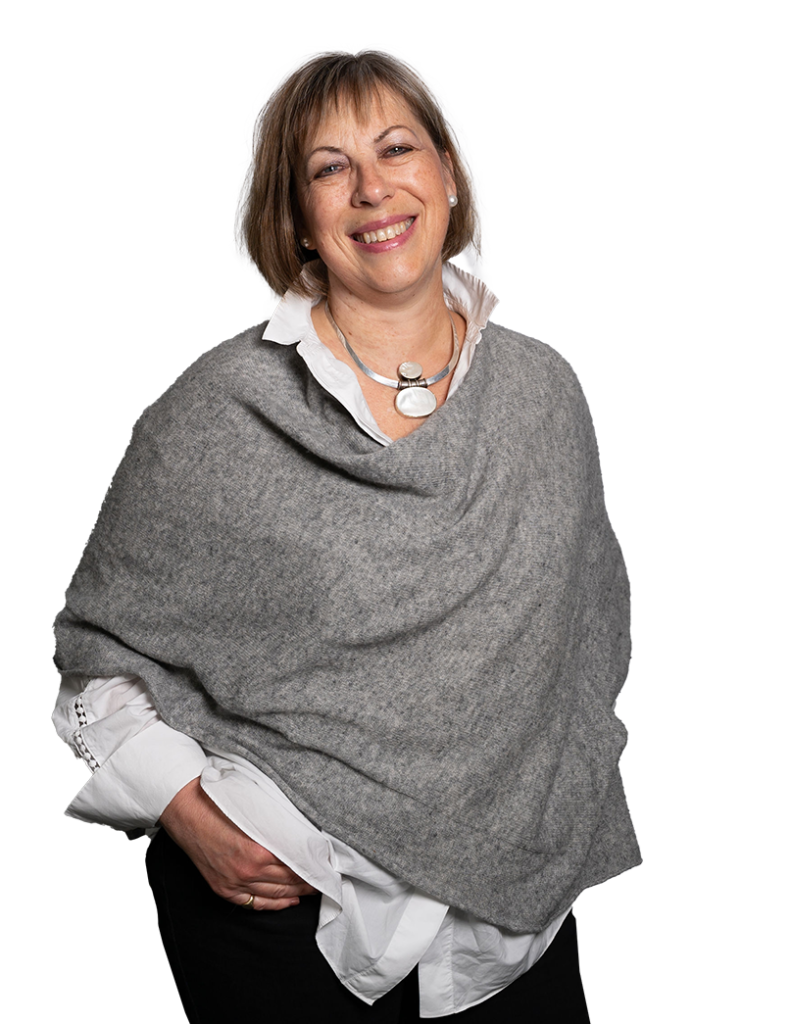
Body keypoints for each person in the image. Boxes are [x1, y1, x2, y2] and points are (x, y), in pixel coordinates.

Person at [51, 44, 641, 1022]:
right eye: (331, 168)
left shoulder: (546, 391)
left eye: (397, 149)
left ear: (447, 176)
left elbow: (586, 640)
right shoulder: (219, 411)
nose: (373, 189)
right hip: (288, 918)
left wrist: (550, 802)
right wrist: (186, 813)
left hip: (518, 922)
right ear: (295, 217)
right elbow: (98, 654)